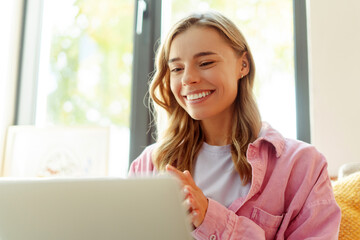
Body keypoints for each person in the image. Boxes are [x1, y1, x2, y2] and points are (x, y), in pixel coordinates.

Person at [128, 11, 341, 240]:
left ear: (243, 65)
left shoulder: (302, 167)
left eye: (205, 62)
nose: (188, 78)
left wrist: (210, 217)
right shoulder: (149, 165)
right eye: (177, 69)